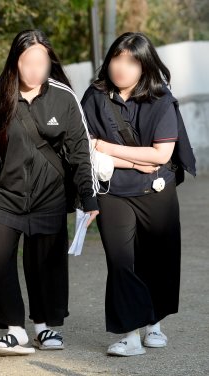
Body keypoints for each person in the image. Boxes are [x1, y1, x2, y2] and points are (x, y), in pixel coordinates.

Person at [0, 29, 99, 356]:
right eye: (27, 61)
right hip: (2, 195)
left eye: (41, 61)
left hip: (49, 196)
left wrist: (88, 197)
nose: (35, 69)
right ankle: (14, 330)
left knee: (45, 264)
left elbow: (81, 151)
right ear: (15, 62)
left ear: (49, 62)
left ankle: (43, 327)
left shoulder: (63, 97)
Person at [81, 32, 196, 357]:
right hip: (113, 191)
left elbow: (161, 155)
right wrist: (128, 157)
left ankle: (154, 324)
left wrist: (104, 147)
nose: (122, 67)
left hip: (156, 191)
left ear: (145, 65)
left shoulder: (160, 100)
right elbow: (84, 146)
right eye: (117, 58)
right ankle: (129, 335)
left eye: (131, 61)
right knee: (121, 262)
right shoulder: (95, 96)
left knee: (157, 260)